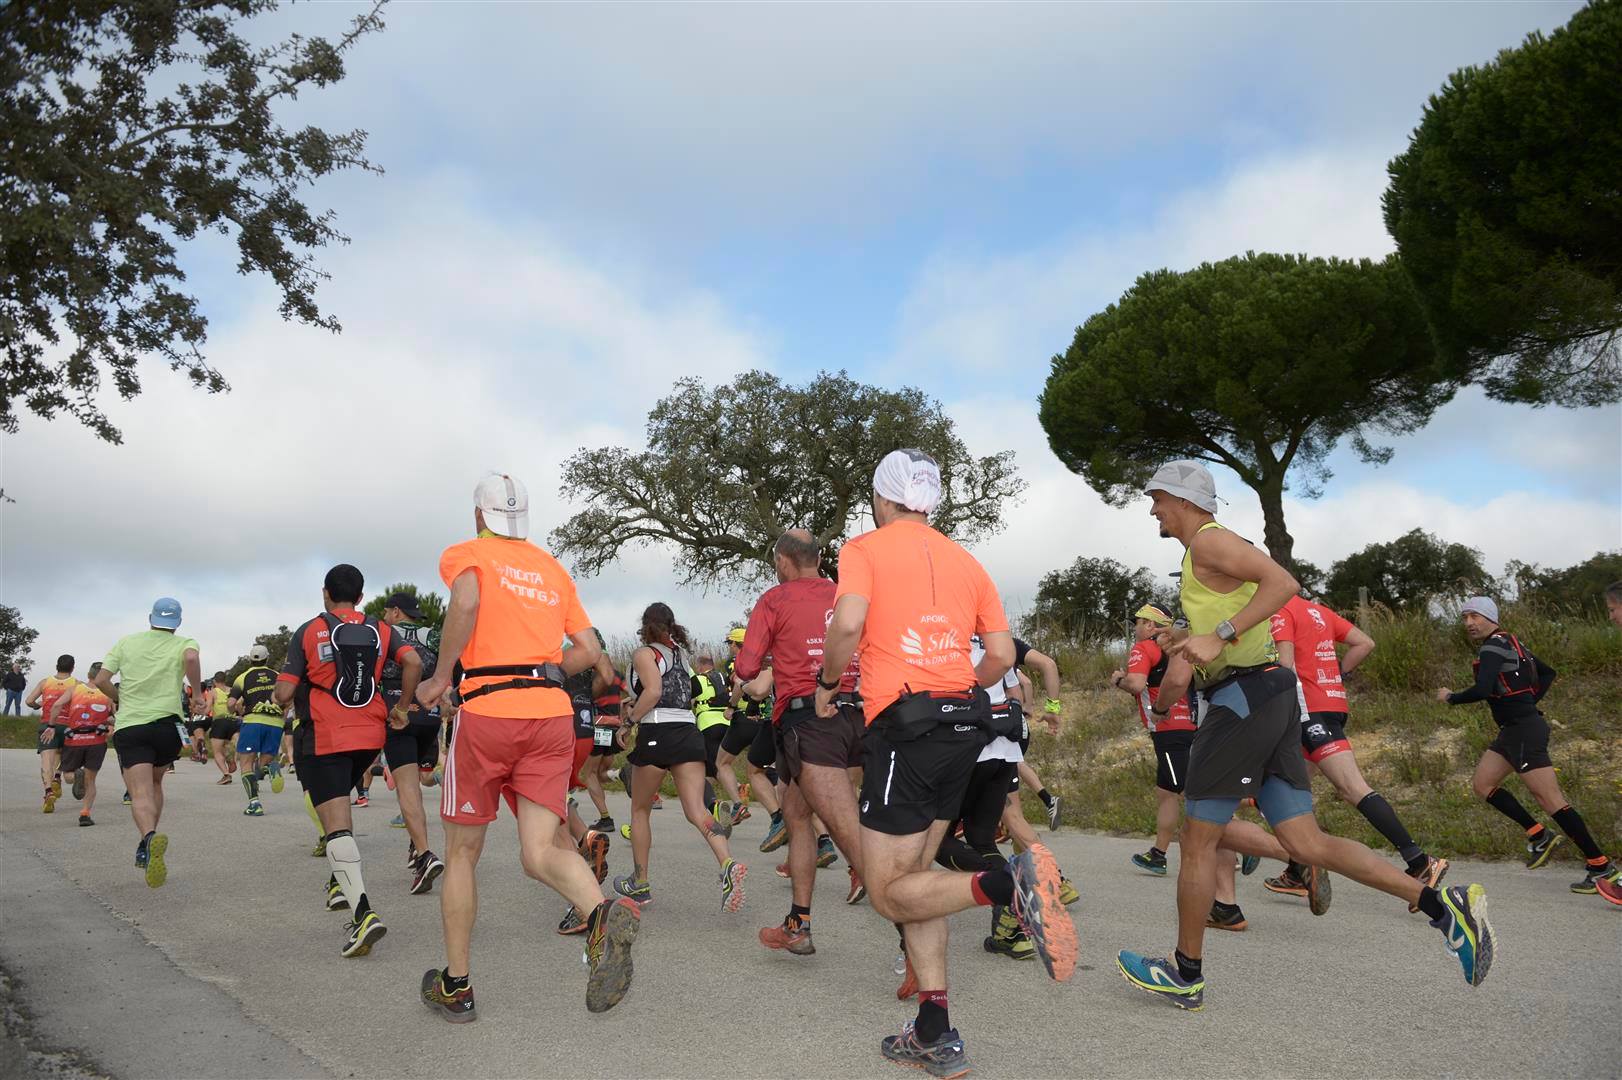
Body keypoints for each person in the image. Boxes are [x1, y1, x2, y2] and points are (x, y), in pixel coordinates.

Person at [1116, 461, 1495, 1011]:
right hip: (1269, 695)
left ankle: (1185, 973)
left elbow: (1283, 583)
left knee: (1197, 840)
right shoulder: (1202, 557)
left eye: (1157, 499)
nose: (1153, 510)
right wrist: (1188, 636)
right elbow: (1233, 614)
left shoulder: (1208, 541)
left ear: (1183, 501)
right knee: (1307, 845)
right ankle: (1443, 908)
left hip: (1242, 699)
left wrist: (1220, 636)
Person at [816, 449, 1076, 1077]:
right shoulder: (967, 559)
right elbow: (1003, 654)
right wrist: (959, 685)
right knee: (921, 875)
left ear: (882, 499)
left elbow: (847, 625)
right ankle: (935, 1028)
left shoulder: (864, 548)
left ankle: (1006, 885)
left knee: (887, 892)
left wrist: (827, 683)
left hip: (905, 728)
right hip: (965, 727)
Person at [415, 473, 638, 1019]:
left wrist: (441, 676)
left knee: (462, 853)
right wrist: (547, 668)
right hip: (550, 717)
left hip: (488, 712)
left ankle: (457, 986)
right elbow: (589, 648)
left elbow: (466, 600)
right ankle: (601, 914)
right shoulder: (551, 568)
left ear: (479, 516)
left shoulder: (467, 554)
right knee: (540, 852)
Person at [273, 565, 419, 958]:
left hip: (325, 736)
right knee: (339, 803)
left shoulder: (309, 631)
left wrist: (280, 692)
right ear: (361, 595)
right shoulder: (382, 629)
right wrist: (402, 708)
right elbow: (414, 663)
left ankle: (363, 914)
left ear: (325, 593)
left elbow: (284, 693)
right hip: (370, 736)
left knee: (335, 822)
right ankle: (340, 882)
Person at [1265, 594, 1448, 903]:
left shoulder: (1279, 609)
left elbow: (1285, 666)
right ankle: (1299, 870)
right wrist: (1339, 673)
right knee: (1295, 791)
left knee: (1352, 788)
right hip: (1333, 704)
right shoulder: (1318, 610)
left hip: (1308, 711)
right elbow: (1365, 643)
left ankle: (1419, 862)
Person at [738, 529, 865, 957]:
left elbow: (747, 667)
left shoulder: (775, 599)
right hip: (858, 715)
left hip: (809, 723)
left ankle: (914, 941)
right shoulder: (846, 594)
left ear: (783, 561)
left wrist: (776, 652)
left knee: (851, 837)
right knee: (795, 814)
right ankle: (798, 924)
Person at [1437, 596, 1616, 895]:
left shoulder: (1493, 646)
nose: (1469, 623)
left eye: (1475, 616)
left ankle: (1600, 865)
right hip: (1513, 731)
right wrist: (1526, 701)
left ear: (1491, 618)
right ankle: (1539, 834)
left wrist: (1450, 697)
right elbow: (1547, 673)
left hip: (1523, 731)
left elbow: (1483, 689)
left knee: (1550, 799)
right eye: (1465, 617)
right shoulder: (1511, 642)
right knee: (1483, 785)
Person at [612, 602, 747, 913]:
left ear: (646, 626)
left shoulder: (645, 654)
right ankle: (728, 864)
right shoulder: (682, 657)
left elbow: (654, 691)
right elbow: (678, 692)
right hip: (688, 731)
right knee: (697, 809)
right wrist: (636, 699)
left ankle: (640, 883)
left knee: (640, 809)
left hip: (657, 731)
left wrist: (629, 722)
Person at [95, 598, 201, 888]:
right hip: (168, 727)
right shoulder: (185, 642)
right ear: (178, 622)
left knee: (139, 791)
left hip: (132, 725)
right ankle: (149, 841)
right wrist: (197, 694)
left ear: (150, 618)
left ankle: (148, 837)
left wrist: (120, 698)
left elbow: (101, 679)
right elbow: (192, 659)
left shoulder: (126, 643)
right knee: (155, 783)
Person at [1110, 604, 1197, 875]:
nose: (1135, 628)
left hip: (1167, 729)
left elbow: (1136, 684)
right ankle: (1158, 854)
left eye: (1137, 622)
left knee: (1190, 792)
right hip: (1192, 724)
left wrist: (1119, 680)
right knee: (1166, 793)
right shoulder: (1182, 647)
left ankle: (1238, 842)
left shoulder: (1144, 648)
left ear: (1149, 625)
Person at [378, 591, 447, 895]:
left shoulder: (383, 634)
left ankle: (424, 855)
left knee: (406, 786)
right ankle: (414, 842)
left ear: (395, 612)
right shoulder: (432, 635)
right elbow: (451, 668)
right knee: (416, 783)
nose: (384, 617)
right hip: (429, 716)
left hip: (398, 712)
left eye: (386, 612)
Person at [717, 627, 782, 846]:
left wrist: (731, 706)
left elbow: (741, 685)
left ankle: (738, 804)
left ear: (737, 645)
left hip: (745, 717)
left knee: (722, 763)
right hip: (767, 717)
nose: (729, 648)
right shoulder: (774, 654)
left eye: (730, 644)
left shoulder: (741, 661)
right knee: (773, 770)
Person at [48, 663, 115, 826]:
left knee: (67, 775)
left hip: (74, 738)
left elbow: (56, 705)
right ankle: (85, 814)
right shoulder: (108, 694)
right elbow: (115, 715)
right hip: (97, 739)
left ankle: (76, 775)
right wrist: (110, 724)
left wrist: (51, 725)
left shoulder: (74, 689)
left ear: (88, 674)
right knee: (90, 780)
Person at [1011, 638, 1064, 830]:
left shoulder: (981, 648)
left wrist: (1028, 707)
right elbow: (1031, 678)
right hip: (1016, 720)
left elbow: (1026, 681)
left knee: (1008, 769)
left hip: (998, 724)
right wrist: (1031, 707)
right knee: (1013, 766)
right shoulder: (1009, 645)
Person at [230, 644, 287, 816]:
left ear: (250, 659)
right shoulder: (278, 676)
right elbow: (288, 698)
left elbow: (231, 703)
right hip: (275, 723)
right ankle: (269, 767)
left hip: (253, 721)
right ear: (267, 658)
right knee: (262, 763)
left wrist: (236, 711)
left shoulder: (242, 677)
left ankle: (254, 804)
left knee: (246, 764)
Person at [26, 655, 77, 813]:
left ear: (56, 666)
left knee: (46, 760)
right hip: (68, 726)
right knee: (62, 754)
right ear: (72, 668)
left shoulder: (45, 682)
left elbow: (28, 701)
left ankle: (48, 791)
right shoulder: (76, 684)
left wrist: (37, 705)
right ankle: (57, 776)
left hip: (48, 725)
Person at [208, 671, 241, 785]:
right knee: (226, 745)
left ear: (214, 681)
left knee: (217, 752)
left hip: (219, 721)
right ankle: (231, 760)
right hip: (233, 721)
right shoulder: (232, 690)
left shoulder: (213, 692)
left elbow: (207, 709)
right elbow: (238, 705)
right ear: (225, 680)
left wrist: (199, 710)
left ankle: (226, 774)